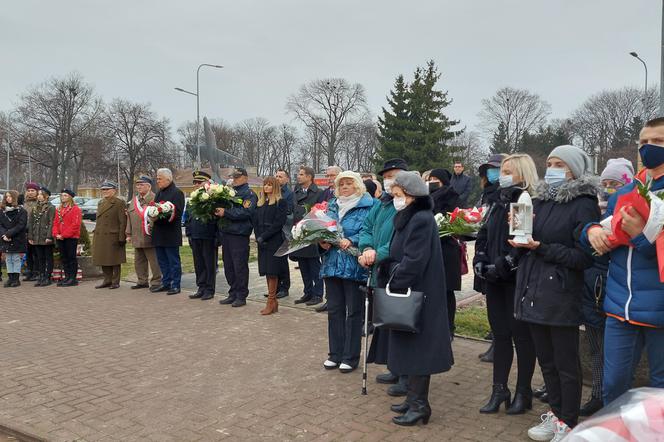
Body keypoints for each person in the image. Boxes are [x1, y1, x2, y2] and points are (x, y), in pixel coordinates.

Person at [511, 145, 600, 441]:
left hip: (561, 293)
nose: (552, 168)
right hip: (534, 289)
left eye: (559, 163)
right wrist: (521, 240)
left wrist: (542, 248)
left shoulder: (583, 203)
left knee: (566, 364)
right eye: (549, 162)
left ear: (574, 169)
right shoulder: (540, 200)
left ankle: (569, 422)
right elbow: (530, 236)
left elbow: (583, 257)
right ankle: (557, 413)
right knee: (546, 361)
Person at [583, 118, 664, 408]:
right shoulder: (628, 191)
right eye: (644, 142)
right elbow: (603, 228)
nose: (649, 148)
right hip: (620, 307)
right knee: (613, 386)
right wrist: (590, 232)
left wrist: (640, 236)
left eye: (658, 141)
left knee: (660, 393)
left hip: (659, 311)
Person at [379, 171, 453, 426]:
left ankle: (420, 405)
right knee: (410, 348)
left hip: (419, 293)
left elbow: (414, 261)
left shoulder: (420, 219)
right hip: (411, 291)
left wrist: (393, 278)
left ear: (411, 195)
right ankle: (413, 399)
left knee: (419, 350)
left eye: (398, 195)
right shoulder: (408, 216)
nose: (395, 198)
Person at [473, 154, 539, 415]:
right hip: (494, 279)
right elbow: (483, 233)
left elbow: (522, 241)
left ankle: (524, 391)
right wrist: (480, 258)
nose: (502, 174)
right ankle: (499, 389)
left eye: (508, 170)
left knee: (521, 338)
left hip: (515, 279)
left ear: (522, 173)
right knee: (500, 335)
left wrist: (502, 265)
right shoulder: (496, 201)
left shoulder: (523, 199)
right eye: (502, 170)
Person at [578, 158, 634, 417]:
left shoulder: (629, 214)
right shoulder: (594, 214)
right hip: (591, 288)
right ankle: (597, 395)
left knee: (610, 354)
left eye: (615, 184)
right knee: (594, 348)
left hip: (611, 290)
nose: (608, 188)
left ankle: (603, 397)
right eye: (606, 183)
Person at [359, 158, 409, 396]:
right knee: (388, 321)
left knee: (402, 321)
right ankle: (395, 366)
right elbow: (367, 228)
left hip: (398, 270)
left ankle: (407, 375)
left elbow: (399, 243)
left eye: (394, 175)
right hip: (380, 269)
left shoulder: (408, 206)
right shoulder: (381, 203)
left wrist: (377, 254)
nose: (389, 180)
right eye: (387, 176)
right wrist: (367, 248)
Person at [319, 171, 375, 373]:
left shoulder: (370, 205)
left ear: (358, 185)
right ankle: (335, 354)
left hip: (354, 265)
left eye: (348, 183)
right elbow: (322, 228)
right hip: (332, 264)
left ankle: (350, 357)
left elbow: (371, 230)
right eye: (340, 183)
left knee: (353, 312)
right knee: (334, 310)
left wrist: (353, 241)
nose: (344, 187)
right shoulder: (331, 205)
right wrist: (322, 242)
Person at [474, 153, 506, 363]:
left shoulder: (505, 195)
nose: (491, 173)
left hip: (500, 257)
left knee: (502, 308)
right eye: (488, 169)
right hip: (485, 252)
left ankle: (499, 343)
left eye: (496, 169)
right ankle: (495, 339)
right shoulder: (486, 193)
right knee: (492, 303)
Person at [427, 168, 462, 338]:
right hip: (430, 248)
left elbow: (453, 220)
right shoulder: (426, 198)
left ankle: (449, 327)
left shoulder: (452, 196)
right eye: (430, 178)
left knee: (447, 291)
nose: (432, 181)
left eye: (436, 179)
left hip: (447, 248)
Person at [216, 167, 257, 308]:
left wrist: (226, 212)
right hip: (227, 233)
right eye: (233, 177)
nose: (235, 180)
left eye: (237, 177)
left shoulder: (249, 194)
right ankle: (232, 292)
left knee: (239, 265)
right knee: (228, 266)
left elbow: (246, 212)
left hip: (239, 234)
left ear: (245, 178)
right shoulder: (228, 192)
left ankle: (241, 295)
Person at [253, 176, 288, 315]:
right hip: (262, 241)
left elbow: (278, 224)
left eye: (269, 185)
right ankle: (273, 302)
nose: (266, 187)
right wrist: (258, 236)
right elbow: (255, 221)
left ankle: (271, 300)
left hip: (274, 241)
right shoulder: (261, 203)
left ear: (275, 187)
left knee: (273, 271)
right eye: (265, 184)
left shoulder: (281, 202)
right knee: (266, 271)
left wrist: (264, 236)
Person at [291, 166, 324, 306]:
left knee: (314, 267)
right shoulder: (296, 191)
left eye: (301, 174)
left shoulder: (318, 192)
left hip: (312, 234)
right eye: (298, 174)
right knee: (303, 265)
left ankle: (318, 294)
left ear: (310, 177)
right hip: (299, 233)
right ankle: (307, 292)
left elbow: (321, 213)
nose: (298, 176)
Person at [150, 168, 186, 295]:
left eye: (159, 178)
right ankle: (166, 283)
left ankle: (176, 285)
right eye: (157, 178)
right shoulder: (159, 193)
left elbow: (177, 213)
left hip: (170, 233)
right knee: (162, 261)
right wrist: (153, 214)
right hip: (159, 232)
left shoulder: (177, 193)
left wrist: (160, 216)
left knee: (173, 261)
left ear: (168, 179)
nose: (157, 181)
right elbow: (155, 208)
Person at [186, 171, 219, 301]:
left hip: (208, 236)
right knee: (198, 263)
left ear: (207, 183)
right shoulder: (192, 199)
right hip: (195, 236)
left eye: (199, 182)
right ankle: (201, 287)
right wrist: (189, 234)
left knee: (209, 264)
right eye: (195, 182)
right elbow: (188, 218)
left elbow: (217, 220)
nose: (196, 185)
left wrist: (217, 237)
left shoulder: (213, 197)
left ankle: (209, 289)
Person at [126, 176, 162, 290]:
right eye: (137, 185)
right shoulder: (134, 200)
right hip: (137, 235)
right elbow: (129, 218)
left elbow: (158, 217)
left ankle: (156, 282)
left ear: (149, 186)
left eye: (141, 184)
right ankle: (142, 281)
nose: (139, 187)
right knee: (139, 261)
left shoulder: (155, 198)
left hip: (150, 236)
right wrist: (128, 233)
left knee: (154, 261)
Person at [315, 165, 343, 313]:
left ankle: (338, 302)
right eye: (327, 176)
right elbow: (318, 212)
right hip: (326, 241)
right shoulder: (324, 193)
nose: (329, 179)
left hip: (341, 241)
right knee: (326, 270)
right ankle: (329, 300)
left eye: (332, 175)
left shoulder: (343, 193)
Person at [92, 181, 127, 290]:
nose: (105, 191)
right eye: (103, 189)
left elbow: (122, 221)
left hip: (113, 236)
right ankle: (107, 280)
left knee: (114, 260)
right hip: (101, 235)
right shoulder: (101, 202)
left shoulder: (119, 203)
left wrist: (122, 237)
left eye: (107, 189)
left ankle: (115, 281)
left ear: (114, 190)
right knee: (103, 258)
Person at [52, 189, 82, 287]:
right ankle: (67, 277)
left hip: (71, 237)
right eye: (62, 195)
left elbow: (75, 225)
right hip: (60, 237)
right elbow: (55, 223)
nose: (63, 197)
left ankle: (73, 278)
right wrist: (56, 234)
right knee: (64, 258)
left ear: (70, 197)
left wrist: (63, 235)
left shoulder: (75, 209)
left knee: (71, 257)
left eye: (65, 195)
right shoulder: (59, 209)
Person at [28, 187, 56, 287]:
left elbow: (51, 222)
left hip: (46, 237)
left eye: (41, 194)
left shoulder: (50, 207)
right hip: (37, 237)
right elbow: (30, 223)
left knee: (48, 257)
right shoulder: (35, 207)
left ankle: (48, 277)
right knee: (40, 258)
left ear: (47, 196)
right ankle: (41, 275)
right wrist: (30, 236)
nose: (39, 196)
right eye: (38, 194)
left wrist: (49, 236)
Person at [0, 191, 28, 287]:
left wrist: (9, 234)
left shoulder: (22, 211)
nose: (8, 198)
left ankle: (16, 279)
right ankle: (10, 278)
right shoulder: (2, 211)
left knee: (15, 258)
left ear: (15, 198)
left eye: (10, 196)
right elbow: (0, 225)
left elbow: (21, 225)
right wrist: (4, 235)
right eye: (6, 196)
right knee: (8, 258)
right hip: (5, 238)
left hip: (17, 238)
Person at [274, 168, 294, 299]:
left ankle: (284, 287)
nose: (277, 178)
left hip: (283, 230)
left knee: (282, 260)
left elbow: (290, 211)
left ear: (287, 179)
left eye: (280, 176)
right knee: (274, 261)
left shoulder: (289, 193)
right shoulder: (271, 191)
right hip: (273, 231)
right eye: (276, 176)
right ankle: (274, 287)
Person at [22, 182, 40, 282]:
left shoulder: (39, 202)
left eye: (32, 190)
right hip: (26, 232)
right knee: (28, 253)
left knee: (36, 253)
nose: (30, 192)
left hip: (36, 232)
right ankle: (30, 271)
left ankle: (36, 272)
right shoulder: (25, 203)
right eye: (28, 191)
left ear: (37, 192)